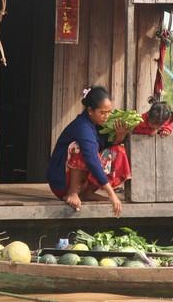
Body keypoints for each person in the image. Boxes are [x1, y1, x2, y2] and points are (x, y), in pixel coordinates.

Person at [46, 86, 130, 217]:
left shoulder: (97, 125)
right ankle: (73, 192)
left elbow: (103, 149)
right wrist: (111, 194)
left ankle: (87, 192)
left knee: (118, 150)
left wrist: (118, 138)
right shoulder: (82, 126)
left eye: (109, 112)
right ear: (90, 111)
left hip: (82, 183)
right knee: (78, 147)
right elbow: (92, 160)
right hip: (61, 182)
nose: (107, 116)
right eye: (103, 112)